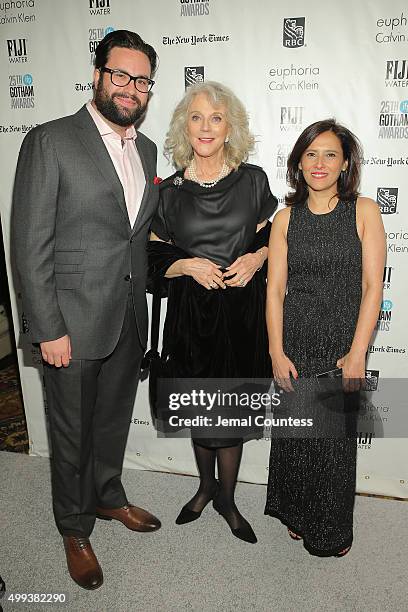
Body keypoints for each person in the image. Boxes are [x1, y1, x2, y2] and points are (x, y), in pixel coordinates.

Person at [12, 30, 161, 590]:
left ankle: (107, 498)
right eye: (120, 75)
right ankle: (74, 529)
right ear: (97, 76)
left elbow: (133, 238)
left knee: (111, 420)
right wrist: (47, 326)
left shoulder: (145, 150)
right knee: (71, 432)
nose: (130, 88)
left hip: (125, 316)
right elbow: (29, 243)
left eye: (141, 80)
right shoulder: (50, 140)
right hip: (70, 323)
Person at [148, 81, 277, 544]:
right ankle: (205, 489)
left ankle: (228, 498)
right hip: (190, 315)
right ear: (186, 125)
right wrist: (183, 264)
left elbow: (271, 239)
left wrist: (257, 258)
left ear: (230, 128)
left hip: (241, 313)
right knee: (200, 410)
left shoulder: (253, 179)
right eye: (197, 117)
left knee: (233, 413)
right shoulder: (168, 191)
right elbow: (150, 252)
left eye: (216, 118)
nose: (206, 127)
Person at [264, 119, 386, 556]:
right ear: (298, 161)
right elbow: (275, 290)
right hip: (295, 342)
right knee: (297, 438)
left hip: (340, 347)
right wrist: (276, 351)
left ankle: (333, 531)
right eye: (311, 153)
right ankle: (297, 513)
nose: (320, 163)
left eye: (330, 154)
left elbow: (373, 287)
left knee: (334, 446)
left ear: (345, 162)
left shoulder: (364, 211)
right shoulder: (285, 219)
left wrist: (358, 352)